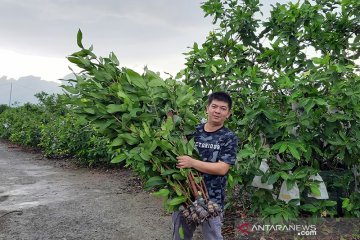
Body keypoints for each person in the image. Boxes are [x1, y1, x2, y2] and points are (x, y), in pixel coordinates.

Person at [172, 91, 238, 240]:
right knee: (180, 236)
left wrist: (192, 162)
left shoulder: (229, 137)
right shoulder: (192, 131)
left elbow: (222, 168)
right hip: (185, 196)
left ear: (228, 113)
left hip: (212, 199)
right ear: (207, 108)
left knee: (213, 237)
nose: (217, 111)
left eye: (223, 108)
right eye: (214, 106)